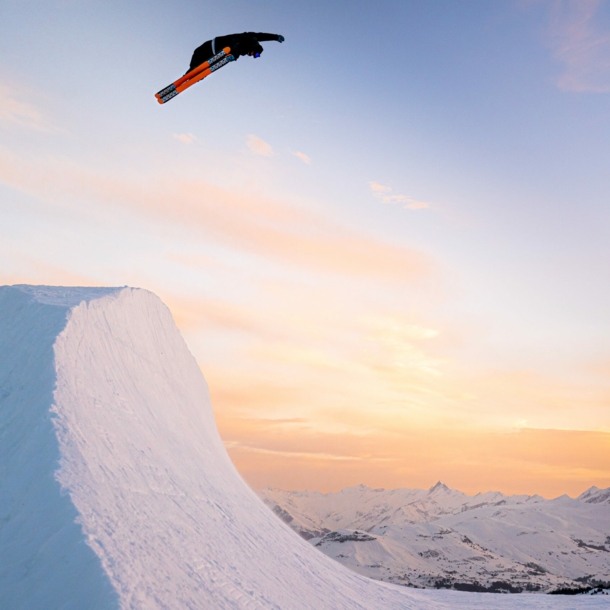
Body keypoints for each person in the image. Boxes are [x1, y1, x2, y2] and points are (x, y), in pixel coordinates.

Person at [188, 32, 285, 72]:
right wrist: (234, 55)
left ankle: (191, 74)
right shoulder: (251, 40)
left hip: (213, 51)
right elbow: (261, 36)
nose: (253, 56)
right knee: (198, 54)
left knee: (200, 65)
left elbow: (262, 37)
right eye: (256, 54)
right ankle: (192, 70)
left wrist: (275, 38)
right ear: (255, 48)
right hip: (216, 45)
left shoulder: (247, 46)